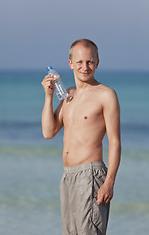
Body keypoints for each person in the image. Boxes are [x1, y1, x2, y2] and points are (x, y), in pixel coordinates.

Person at [41, 38, 121, 235]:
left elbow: (115, 142)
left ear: (97, 63)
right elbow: (48, 132)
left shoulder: (106, 95)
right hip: (68, 176)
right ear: (70, 64)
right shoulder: (69, 95)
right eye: (80, 62)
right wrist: (49, 96)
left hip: (91, 176)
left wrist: (109, 181)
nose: (85, 67)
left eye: (90, 62)